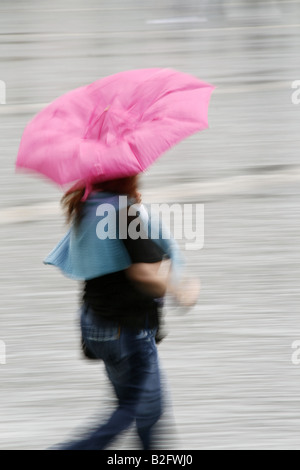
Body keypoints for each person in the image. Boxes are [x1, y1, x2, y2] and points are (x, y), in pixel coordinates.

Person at [44, 175, 199, 450]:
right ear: (127, 177)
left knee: (141, 413)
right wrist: (182, 291)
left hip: (96, 324)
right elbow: (142, 271)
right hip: (125, 328)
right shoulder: (124, 213)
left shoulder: (87, 207)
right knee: (138, 411)